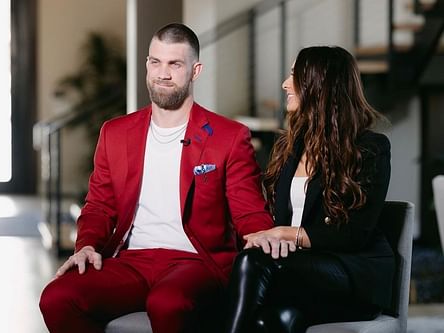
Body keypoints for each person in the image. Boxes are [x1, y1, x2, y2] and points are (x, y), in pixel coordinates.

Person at [39, 23, 274, 333]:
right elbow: (99, 205)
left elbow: (248, 211)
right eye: (155, 62)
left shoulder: (228, 137)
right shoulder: (115, 132)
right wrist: (86, 246)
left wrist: (261, 233)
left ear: (195, 70)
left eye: (175, 64)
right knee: (56, 297)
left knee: (167, 304)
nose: (162, 73)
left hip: (196, 262)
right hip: (131, 261)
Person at [224, 46, 394, 333]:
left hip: (349, 273)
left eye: (294, 75)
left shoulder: (370, 149)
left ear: (320, 85)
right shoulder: (289, 146)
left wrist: (283, 234)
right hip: (298, 270)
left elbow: (354, 235)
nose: (284, 84)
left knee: (252, 261)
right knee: (275, 320)